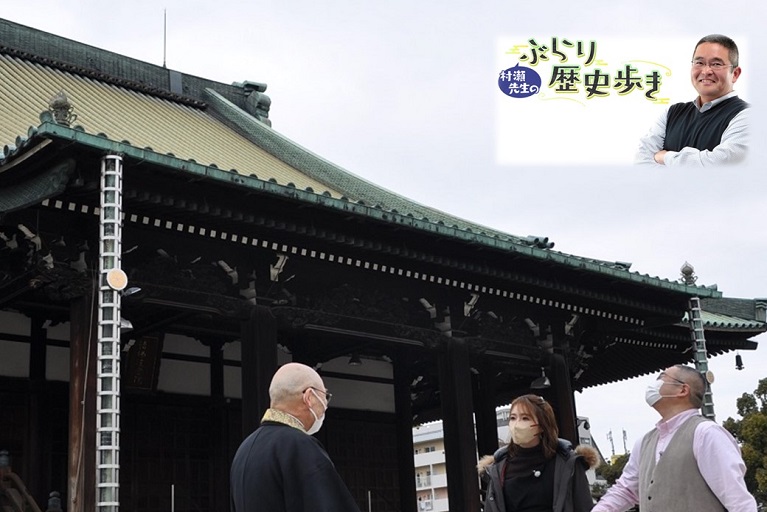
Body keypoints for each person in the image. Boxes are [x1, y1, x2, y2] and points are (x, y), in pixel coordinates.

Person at [592, 365, 757, 512]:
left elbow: (737, 499)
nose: (654, 384)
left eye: (661, 378)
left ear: (683, 390)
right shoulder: (644, 442)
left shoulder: (706, 433)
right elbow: (625, 491)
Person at [230, 362, 361, 512]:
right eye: (325, 396)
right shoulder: (299, 446)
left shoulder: (244, 448)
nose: (325, 405)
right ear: (309, 397)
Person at [635, 34, 749, 166]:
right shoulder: (672, 113)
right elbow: (641, 160)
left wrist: (665, 157)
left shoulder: (747, 116)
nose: (706, 71)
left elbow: (718, 165)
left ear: (735, 74)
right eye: (699, 63)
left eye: (716, 64)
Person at [477, 394, 598, 512]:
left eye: (525, 418)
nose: (517, 424)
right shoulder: (498, 466)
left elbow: (583, 506)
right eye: (513, 418)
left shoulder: (567, 463)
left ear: (542, 425)